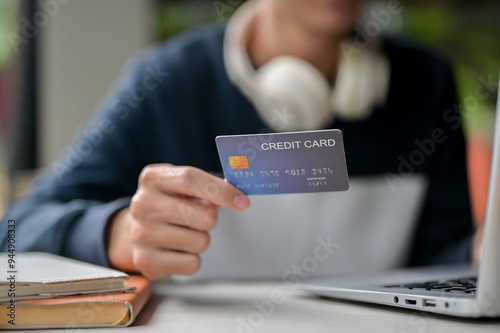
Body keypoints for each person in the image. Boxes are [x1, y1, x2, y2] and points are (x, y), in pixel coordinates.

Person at [1, 0, 479, 281]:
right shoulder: (168, 82)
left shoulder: (427, 83)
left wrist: (479, 255)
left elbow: (438, 257)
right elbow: (14, 233)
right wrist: (115, 233)